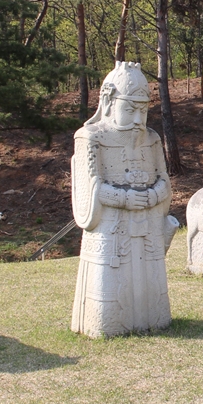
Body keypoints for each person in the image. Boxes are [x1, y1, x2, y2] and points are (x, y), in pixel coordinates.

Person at [70, 62, 176, 337]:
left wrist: (152, 196)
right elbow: (90, 187)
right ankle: (109, 325)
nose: (138, 119)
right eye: (130, 110)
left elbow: (164, 180)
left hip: (147, 224)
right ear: (108, 102)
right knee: (110, 281)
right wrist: (124, 199)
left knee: (149, 276)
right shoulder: (91, 138)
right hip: (111, 227)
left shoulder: (151, 139)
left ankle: (153, 320)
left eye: (143, 110)